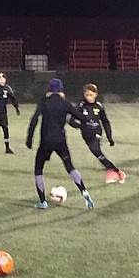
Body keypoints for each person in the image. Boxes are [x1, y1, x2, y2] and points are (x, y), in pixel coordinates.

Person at [26, 78, 94, 210]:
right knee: (70, 167)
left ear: (49, 89)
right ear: (61, 90)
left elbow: (34, 119)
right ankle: (84, 192)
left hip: (46, 141)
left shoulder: (44, 101)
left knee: (38, 169)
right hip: (60, 141)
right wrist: (87, 122)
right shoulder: (65, 103)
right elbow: (81, 118)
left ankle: (42, 202)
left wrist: (29, 138)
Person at [69, 83, 126, 184]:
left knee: (95, 149)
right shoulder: (81, 105)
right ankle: (115, 171)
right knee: (97, 153)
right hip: (86, 134)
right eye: (87, 95)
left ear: (96, 94)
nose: (88, 97)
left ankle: (114, 171)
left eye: (91, 95)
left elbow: (105, 122)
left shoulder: (99, 106)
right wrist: (81, 126)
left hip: (96, 132)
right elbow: (71, 120)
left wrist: (109, 137)